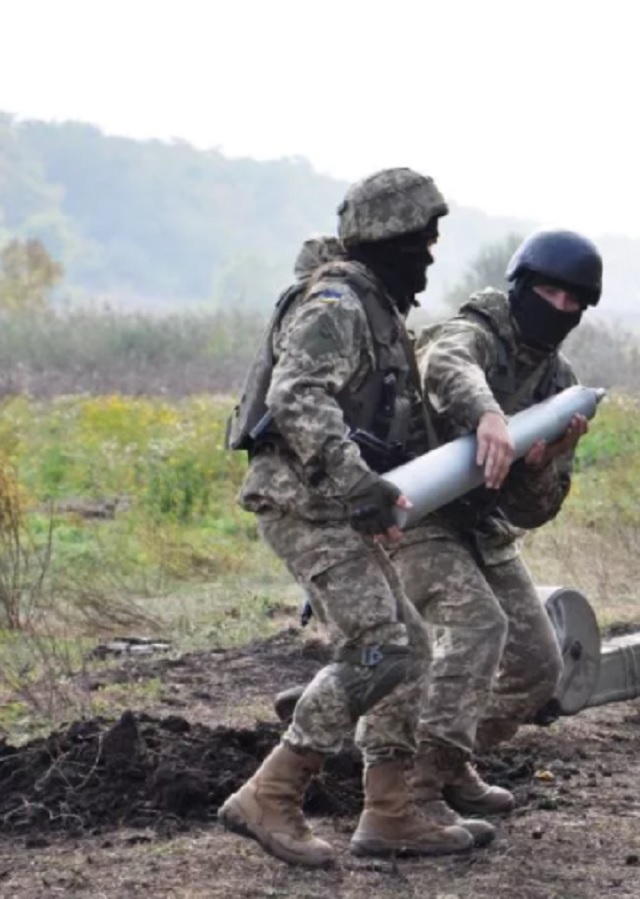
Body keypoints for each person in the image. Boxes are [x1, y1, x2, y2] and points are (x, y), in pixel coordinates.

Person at [217, 167, 479, 867]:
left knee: (411, 648)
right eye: (421, 242)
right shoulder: (337, 303)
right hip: (303, 502)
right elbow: (297, 392)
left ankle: (390, 811)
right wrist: (358, 485)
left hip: (329, 500)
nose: (429, 256)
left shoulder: (377, 308)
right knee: (382, 648)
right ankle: (272, 791)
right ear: (387, 241)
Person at [389, 228, 600, 843]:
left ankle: (446, 760)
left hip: (479, 526)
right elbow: (444, 362)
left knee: (538, 664)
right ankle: (414, 791)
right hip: (416, 513)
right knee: (480, 627)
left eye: (574, 300)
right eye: (549, 291)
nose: (559, 307)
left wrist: (545, 462)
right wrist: (488, 417)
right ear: (521, 285)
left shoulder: (559, 383)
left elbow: (535, 512)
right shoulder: (479, 330)